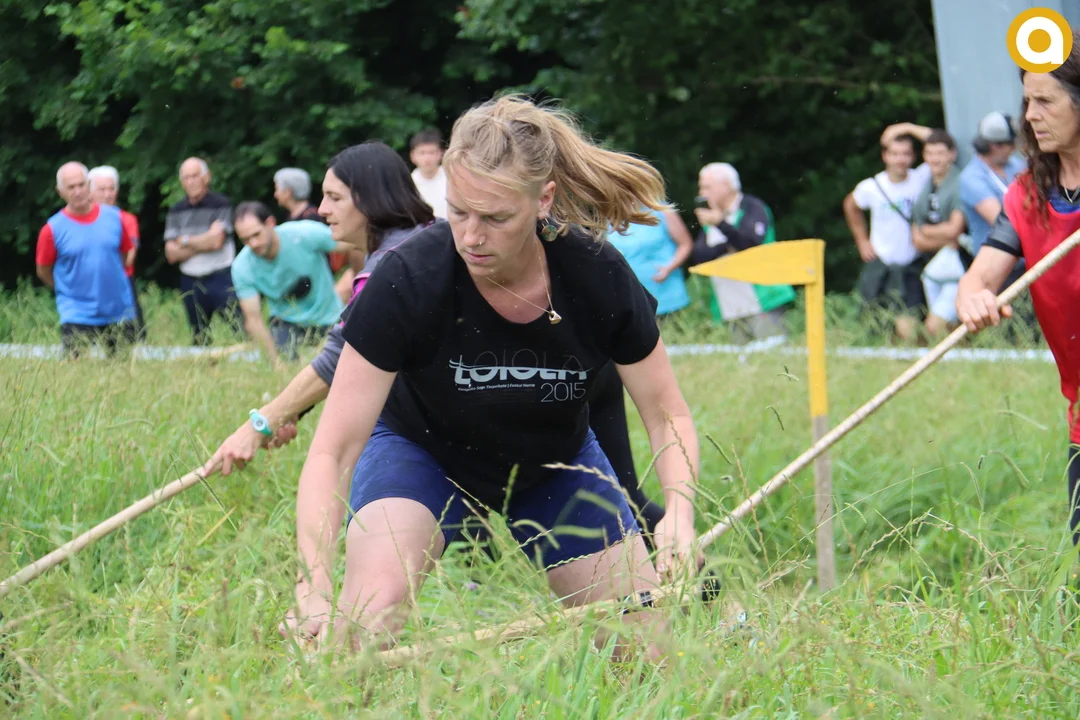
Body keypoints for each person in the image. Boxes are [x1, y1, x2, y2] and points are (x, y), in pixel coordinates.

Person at [283, 96, 698, 659]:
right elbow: (333, 451)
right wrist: (313, 587)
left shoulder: (596, 274)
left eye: (496, 218)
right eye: (458, 211)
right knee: (364, 624)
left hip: (552, 461)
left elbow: (667, 414)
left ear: (543, 199)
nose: (471, 237)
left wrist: (679, 514)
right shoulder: (407, 278)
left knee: (645, 646)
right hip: (420, 452)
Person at [203, 141, 668, 550]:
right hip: (511, 386)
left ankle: (678, 563)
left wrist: (263, 422)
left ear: (369, 197)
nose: (322, 209)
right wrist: (286, 416)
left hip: (560, 378)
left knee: (616, 499)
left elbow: (336, 361)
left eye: (335, 196)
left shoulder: (400, 264)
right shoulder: (409, 249)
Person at [955, 44, 1080, 550]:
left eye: (1045, 101)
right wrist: (972, 299)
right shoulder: (1027, 195)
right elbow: (979, 278)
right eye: (1028, 101)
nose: (1029, 115)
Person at [35, 162, 137, 358]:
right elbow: (43, 270)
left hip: (117, 309)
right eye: (71, 187)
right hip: (76, 311)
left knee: (123, 369)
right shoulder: (52, 229)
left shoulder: (114, 218)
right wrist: (66, 289)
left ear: (89, 185)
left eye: (81, 185)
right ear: (60, 192)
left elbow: (125, 256)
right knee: (75, 369)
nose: (77, 192)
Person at [230, 202, 351, 366]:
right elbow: (253, 319)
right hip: (286, 322)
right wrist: (276, 363)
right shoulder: (242, 266)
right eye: (245, 239)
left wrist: (356, 276)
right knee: (290, 366)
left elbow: (354, 243)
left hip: (329, 318)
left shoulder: (304, 233)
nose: (253, 244)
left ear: (270, 223)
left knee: (340, 365)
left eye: (256, 234)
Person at [690, 162, 796, 341]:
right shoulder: (711, 217)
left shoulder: (752, 207)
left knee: (774, 352)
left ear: (726, 186)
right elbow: (700, 256)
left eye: (707, 187)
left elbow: (749, 244)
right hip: (729, 305)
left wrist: (720, 224)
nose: (701, 193)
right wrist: (727, 245)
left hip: (763, 299)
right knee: (740, 358)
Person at [843, 130, 932, 341]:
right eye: (894, 154)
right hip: (881, 265)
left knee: (908, 327)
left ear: (913, 156)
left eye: (905, 154)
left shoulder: (920, 178)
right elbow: (850, 205)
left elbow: (938, 140)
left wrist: (905, 128)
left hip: (912, 264)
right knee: (877, 325)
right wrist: (862, 240)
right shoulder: (872, 186)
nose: (900, 159)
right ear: (885, 156)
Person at [164, 157, 241, 345]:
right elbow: (171, 254)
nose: (191, 181)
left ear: (207, 177)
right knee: (199, 335)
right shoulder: (176, 210)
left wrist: (184, 241)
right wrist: (205, 239)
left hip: (220, 276)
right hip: (190, 280)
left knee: (240, 328)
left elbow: (216, 242)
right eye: (186, 177)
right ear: (182, 182)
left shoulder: (221, 204)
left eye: (195, 176)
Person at [909, 130, 965, 338]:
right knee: (950, 330)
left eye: (940, 153)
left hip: (959, 267)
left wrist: (926, 231)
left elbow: (955, 229)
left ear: (952, 154)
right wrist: (942, 236)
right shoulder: (924, 183)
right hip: (934, 267)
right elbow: (917, 241)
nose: (935, 159)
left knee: (934, 327)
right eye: (930, 153)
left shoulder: (960, 182)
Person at [274, 167, 356, 304]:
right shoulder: (291, 218)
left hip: (318, 288)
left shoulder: (311, 218)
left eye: (277, 189)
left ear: (288, 192)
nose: (275, 194)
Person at [89, 165, 146, 340]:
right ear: (90, 192)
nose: (108, 194)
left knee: (131, 336)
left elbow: (129, 258)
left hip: (122, 284)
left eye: (111, 189)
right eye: (102, 189)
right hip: (89, 285)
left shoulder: (127, 219)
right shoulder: (80, 220)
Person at [606, 208, 693, 323]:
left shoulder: (662, 211)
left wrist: (669, 268)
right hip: (632, 298)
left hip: (667, 294)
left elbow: (685, 244)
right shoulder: (610, 218)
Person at [409, 128, 448, 219]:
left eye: (431, 152)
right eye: (422, 153)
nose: (427, 158)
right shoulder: (409, 183)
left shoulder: (452, 178)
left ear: (441, 154)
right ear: (413, 156)